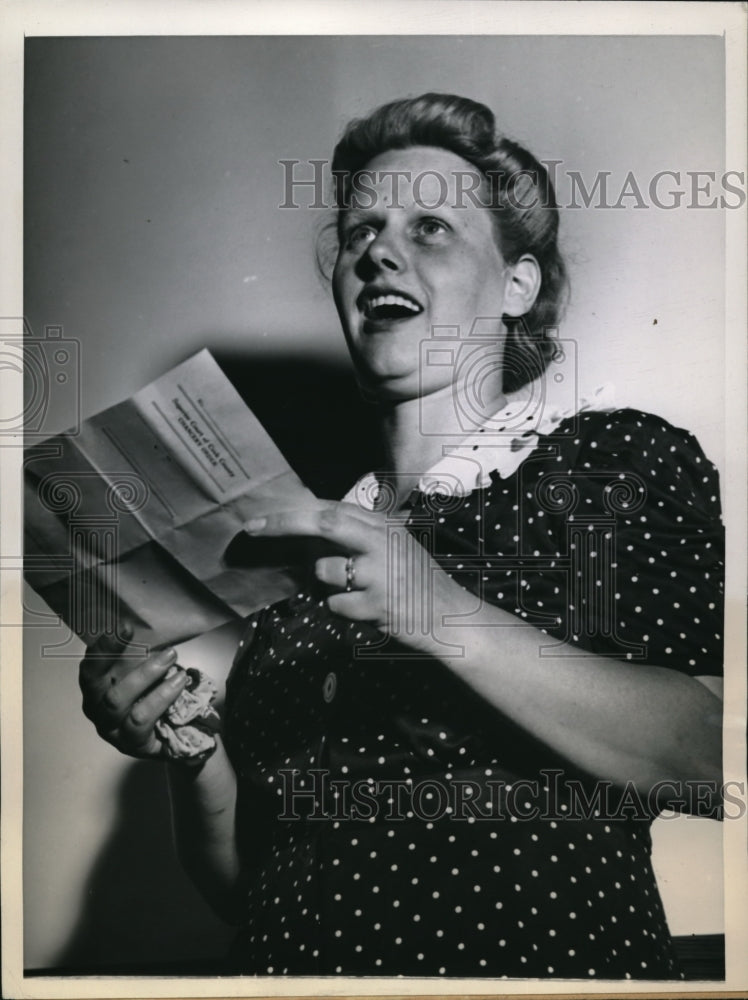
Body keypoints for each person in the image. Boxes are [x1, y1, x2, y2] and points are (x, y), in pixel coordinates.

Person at [79, 93, 724, 980]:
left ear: (516, 285)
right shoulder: (297, 551)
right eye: (360, 232)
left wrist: (436, 609)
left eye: (430, 228)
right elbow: (249, 886)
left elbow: (707, 757)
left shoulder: (612, 460)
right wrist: (186, 751)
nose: (378, 250)